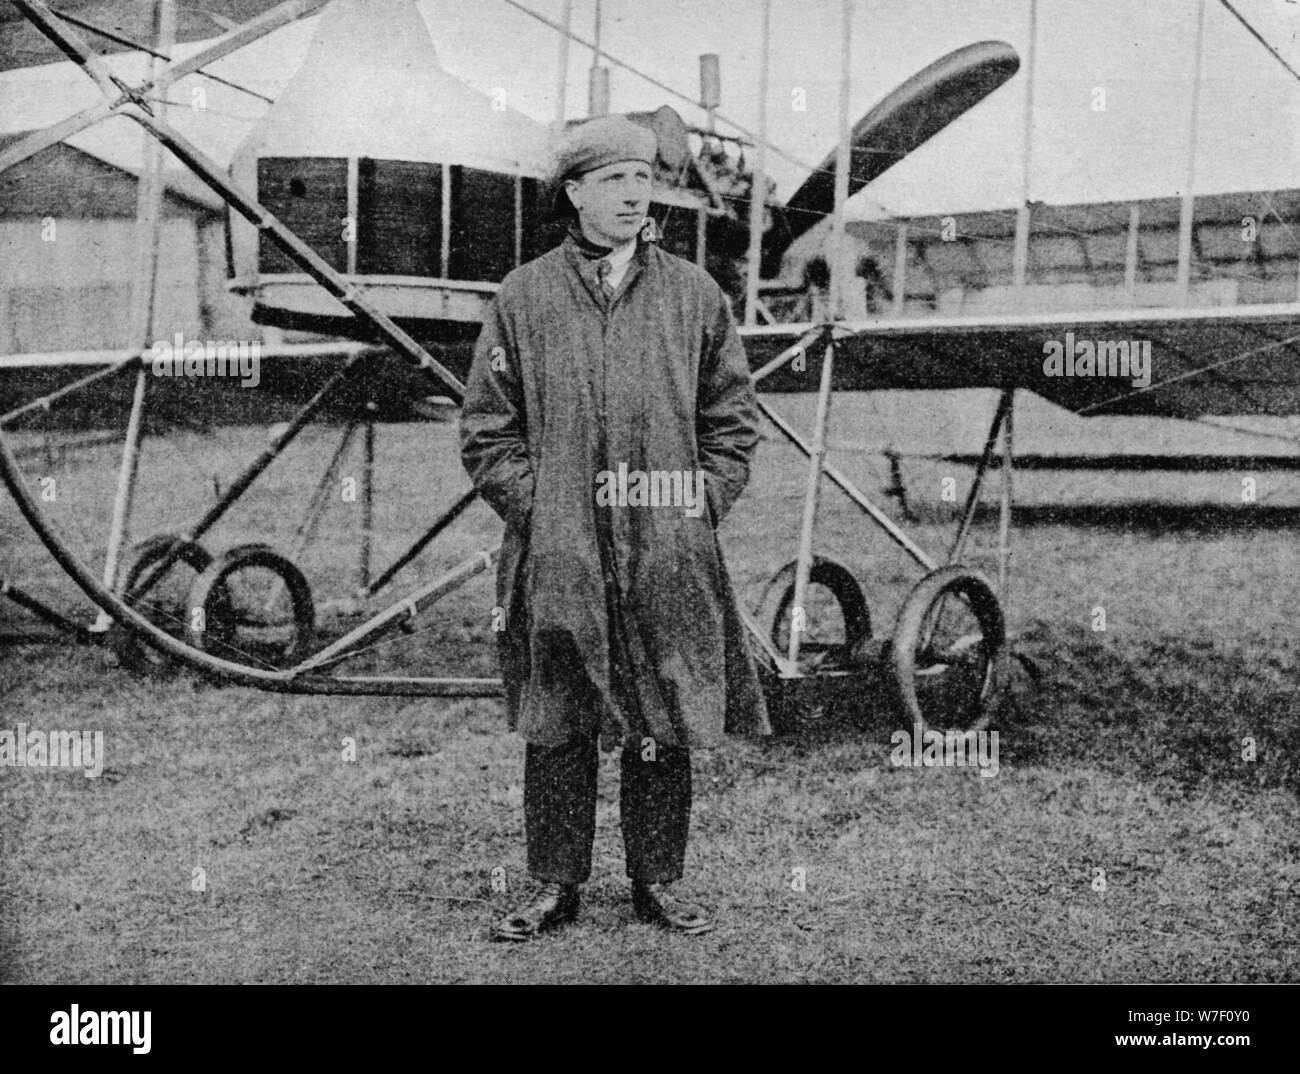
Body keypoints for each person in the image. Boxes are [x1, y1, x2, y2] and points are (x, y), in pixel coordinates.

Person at [459, 114, 770, 941]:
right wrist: (545, 512)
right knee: (557, 714)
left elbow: (732, 426)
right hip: (557, 550)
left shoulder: (695, 296)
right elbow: (487, 433)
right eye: (615, 179)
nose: (636, 193)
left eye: (643, 177)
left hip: (665, 546)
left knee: (662, 709)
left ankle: (657, 882)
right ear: (575, 192)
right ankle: (554, 885)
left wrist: (693, 510)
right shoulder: (522, 297)